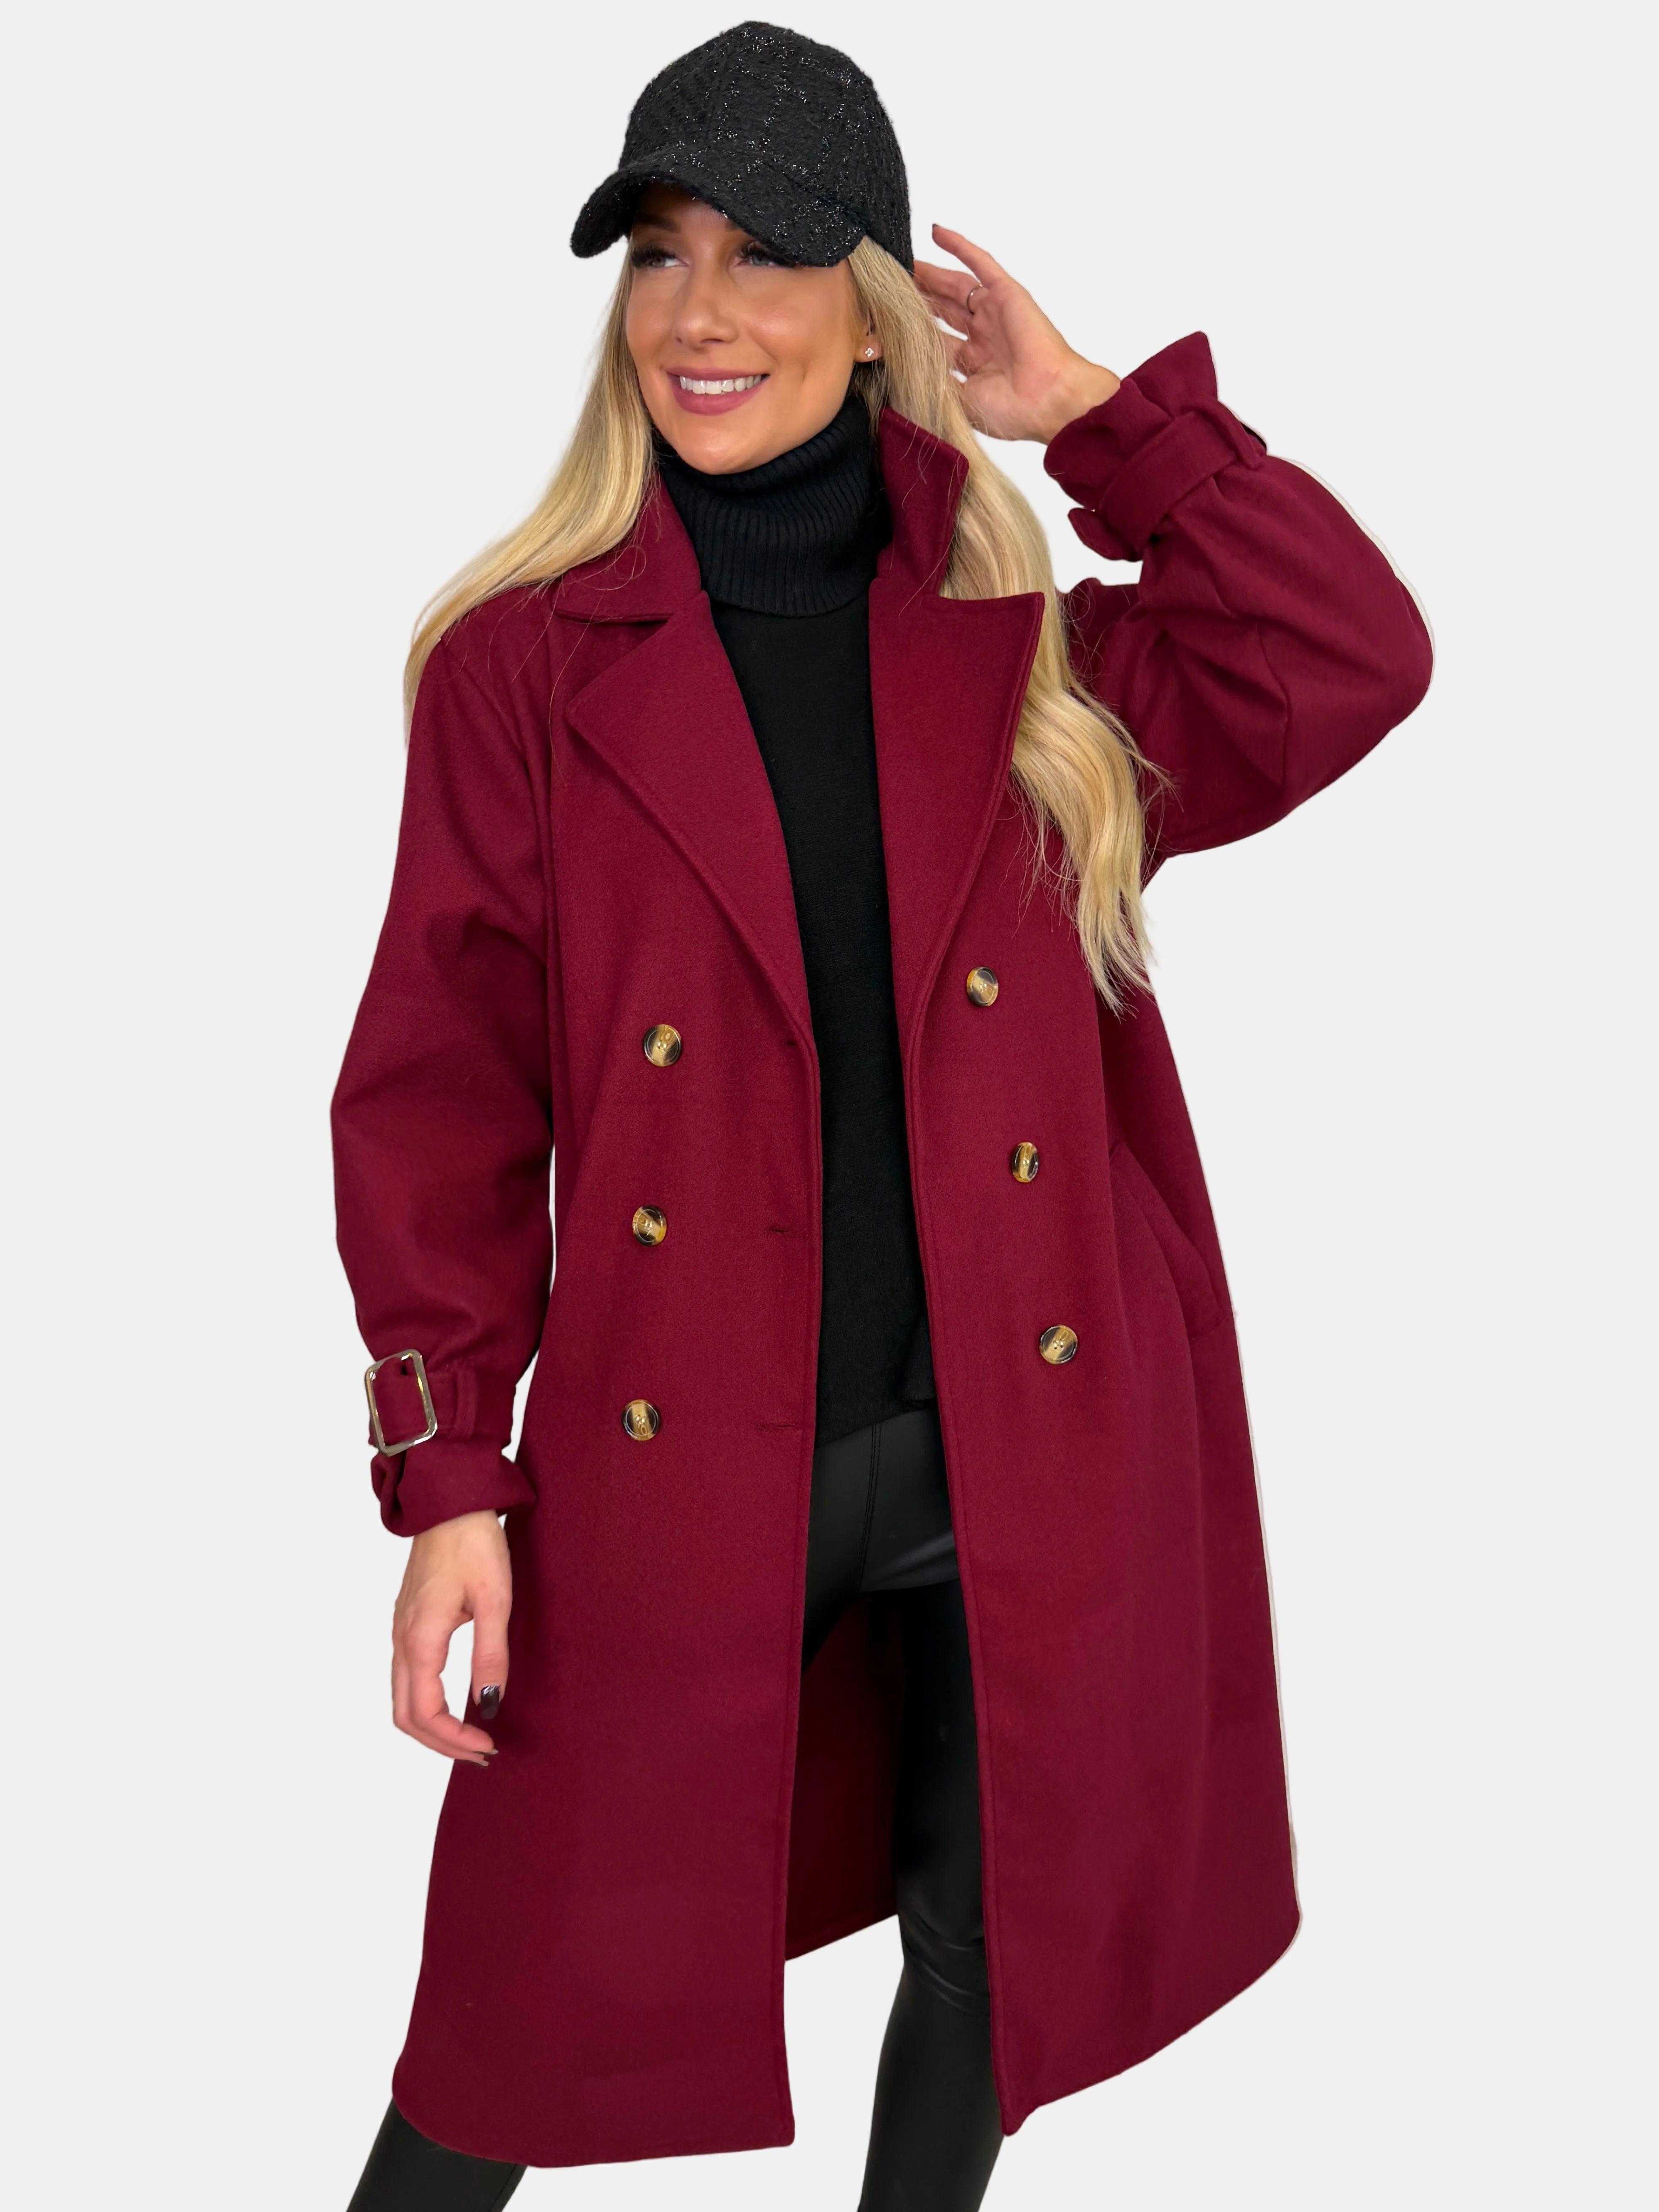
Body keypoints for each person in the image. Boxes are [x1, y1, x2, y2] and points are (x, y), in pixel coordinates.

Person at [334, 21, 1432, 2210]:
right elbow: (438, 1089)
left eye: (767, 253)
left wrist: (1106, 421)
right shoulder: (524, 666)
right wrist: (450, 1476)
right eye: (660, 253)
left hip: (1019, 1435)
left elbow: (1350, 654)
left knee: (991, 1963)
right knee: (521, 2011)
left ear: (874, 306)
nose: (700, 312)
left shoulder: (1026, 661)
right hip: (674, 1456)